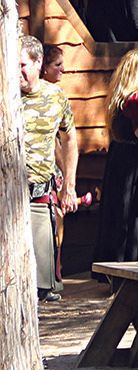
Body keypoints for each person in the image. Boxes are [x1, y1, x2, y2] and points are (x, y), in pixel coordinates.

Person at [21, 35, 77, 300]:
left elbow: (69, 139)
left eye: (23, 65)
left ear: (38, 62)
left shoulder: (55, 96)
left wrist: (70, 185)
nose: (17, 71)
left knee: (40, 287)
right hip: (7, 200)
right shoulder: (5, 96)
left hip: (38, 198)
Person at [94, 45, 138, 267]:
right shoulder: (137, 99)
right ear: (136, 73)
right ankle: (128, 267)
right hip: (134, 163)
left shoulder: (119, 98)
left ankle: (114, 267)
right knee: (130, 216)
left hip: (119, 160)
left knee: (117, 214)